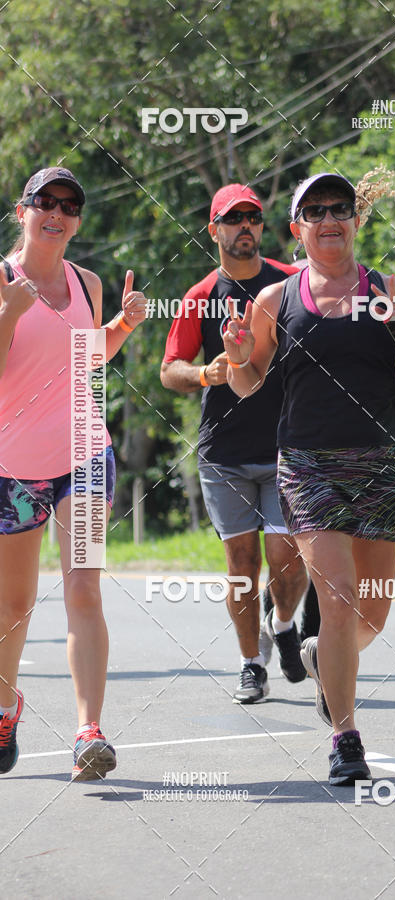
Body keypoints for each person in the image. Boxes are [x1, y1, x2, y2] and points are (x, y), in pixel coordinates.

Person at [225, 171, 395, 784]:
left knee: (370, 614)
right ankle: (346, 738)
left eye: (340, 208)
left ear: (355, 219)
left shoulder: (391, 289)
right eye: (314, 210)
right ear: (297, 228)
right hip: (307, 466)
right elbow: (248, 386)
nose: (329, 219)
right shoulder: (276, 301)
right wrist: (240, 353)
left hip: (378, 462)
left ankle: (326, 656)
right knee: (340, 598)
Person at [0, 166, 147, 779]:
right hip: (14, 469)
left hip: (84, 456)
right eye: (45, 202)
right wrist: (9, 313)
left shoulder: (87, 281)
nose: (56, 214)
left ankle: (89, 730)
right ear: (22, 211)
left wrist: (123, 326)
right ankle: (5, 708)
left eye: (69, 205)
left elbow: (86, 357)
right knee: (14, 602)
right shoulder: (1, 279)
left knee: (84, 589)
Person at [161, 183, 319, 705]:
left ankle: (285, 620)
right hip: (223, 452)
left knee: (287, 557)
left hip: (286, 446)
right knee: (241, 564)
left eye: (252, 217)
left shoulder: (290, 282)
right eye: (233, 219)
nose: (244, 226)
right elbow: (169, 370)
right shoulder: (201, 296)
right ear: (215, 230)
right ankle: (252, 663)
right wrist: (206, 373)